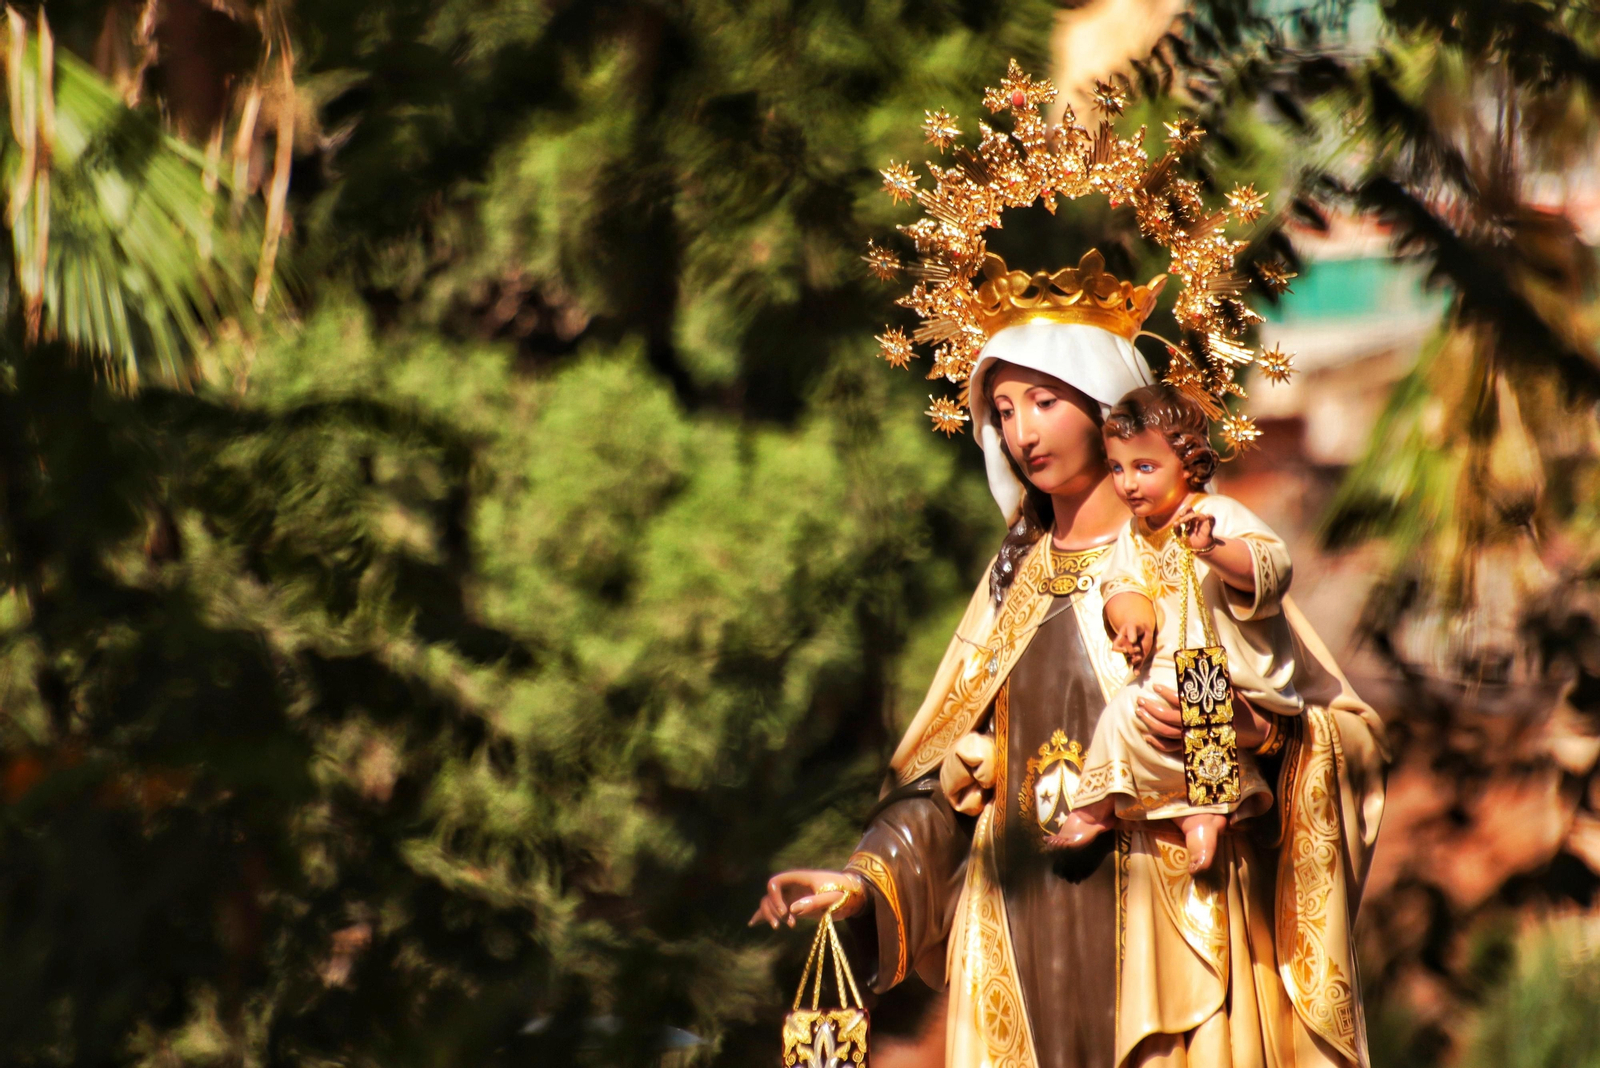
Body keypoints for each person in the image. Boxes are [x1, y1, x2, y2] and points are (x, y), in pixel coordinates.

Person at [750, 253, 1389, 1068]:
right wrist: (866, 879)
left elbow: (1346, 737)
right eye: (1005, 409)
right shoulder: (1012, 584)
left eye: (1044, 402)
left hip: (1170, 911)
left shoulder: (1192, 550)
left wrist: (1254, 732)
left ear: (1107, 408)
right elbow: (945, 780)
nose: (1021, 431)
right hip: (1018, 926)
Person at [1047, 384, 1305, 874]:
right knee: (1126, 715)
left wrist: (1213, 549)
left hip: (1218, 667)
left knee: (1192, 705)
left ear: (1189, 464)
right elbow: (1121, 583)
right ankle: (1102, 806)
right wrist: (1133, 623)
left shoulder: (1217, 514)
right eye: (1117, 468)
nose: (1127, 484)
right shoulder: (1136, 532)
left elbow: (1271, 567)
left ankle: (1205, 813)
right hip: (1164, 666)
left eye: (1144, 468)